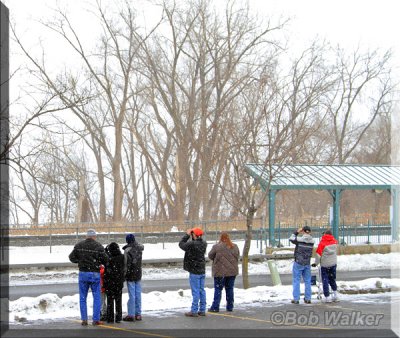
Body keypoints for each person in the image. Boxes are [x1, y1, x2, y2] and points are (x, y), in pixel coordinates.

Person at [68, 229, 109, 326]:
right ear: (94, 237)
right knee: (97, 297)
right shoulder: (98, 246)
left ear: (86, 236)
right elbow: (106, 259)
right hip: (94, 273)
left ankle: (84, 319)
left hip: (83, 273)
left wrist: (80, 261)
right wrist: (98, 262)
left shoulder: (79, 245)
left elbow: (71, 257)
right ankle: (96, 319)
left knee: (82, 297)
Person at [208, 232, 240, 313]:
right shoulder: (235, 246)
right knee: (230, 289)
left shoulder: (216, 247)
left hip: (220, 272)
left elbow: (210, 256)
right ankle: (230, 307)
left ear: (220, 238)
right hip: (232, 272)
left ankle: (215, 307)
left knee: (218, 289)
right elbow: (237, 256)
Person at [179, 227, 207, 317]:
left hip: (194, 270)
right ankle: (202, 309)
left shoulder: (192, 244)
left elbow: (181, 244)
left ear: (194, 235)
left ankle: (194, 310)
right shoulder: (204, 243)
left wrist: (187, 235)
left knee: (195, 291)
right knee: (201, 290)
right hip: (202, 269)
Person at [289, 225, 314, 304]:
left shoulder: (299, 240)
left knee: (296, 280)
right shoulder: (312, 241)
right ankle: (308, 298)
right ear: (310, 232)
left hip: (298, 262)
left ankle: (296, 299)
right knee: (307, 281)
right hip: (307, 263)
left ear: (303, 231)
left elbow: (291, 238)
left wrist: (297, 232)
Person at [312, 229, 339, 303]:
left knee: (325, 280)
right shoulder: (335, 242)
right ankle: (335, 295)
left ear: (325, 235)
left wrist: (316, 263)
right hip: (333, 264)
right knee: (332, 278)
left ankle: (327, 297)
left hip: (325, 265)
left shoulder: (322, 243)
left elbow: (318, 255)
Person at [123, 234, 144, 322]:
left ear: (127, 241)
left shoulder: (127, 250)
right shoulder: (140, 248)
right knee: (138, 294)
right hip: (138, 273)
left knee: (132, 295)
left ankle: (131, 314)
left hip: (130, 275)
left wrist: (124, 275)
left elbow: (125, 264)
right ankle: (138, 314)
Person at [104, 242, 125, 323]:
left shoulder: (109, 259)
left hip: (110, 282)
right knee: (118, 300)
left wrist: (105, 251)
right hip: (119, 282)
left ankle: (110, 317)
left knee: (110, 300)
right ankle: (118, 317)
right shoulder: (122, 257)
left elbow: (107, 267)